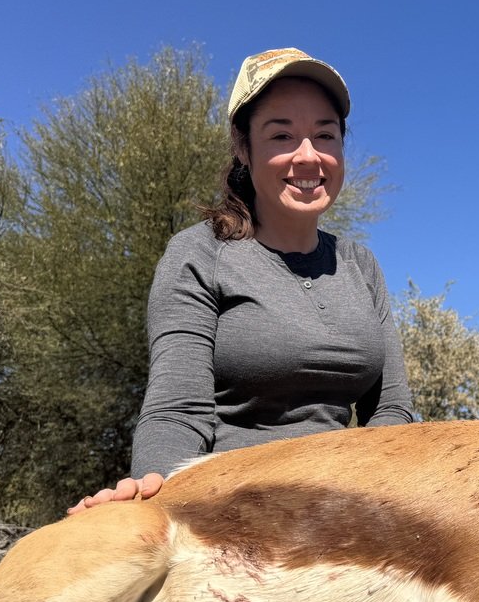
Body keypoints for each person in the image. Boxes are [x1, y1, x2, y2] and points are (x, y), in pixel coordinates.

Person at [70, 47, 416, 512]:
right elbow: (178, 412)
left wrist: (373, 494)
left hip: (351, 504)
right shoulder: (199, 253)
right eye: (282, 136)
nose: (309, 157)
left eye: (325, 135)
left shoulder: (360, 264)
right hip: (233, 506)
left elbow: (393, 410)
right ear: (243, 149)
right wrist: (154, 497)